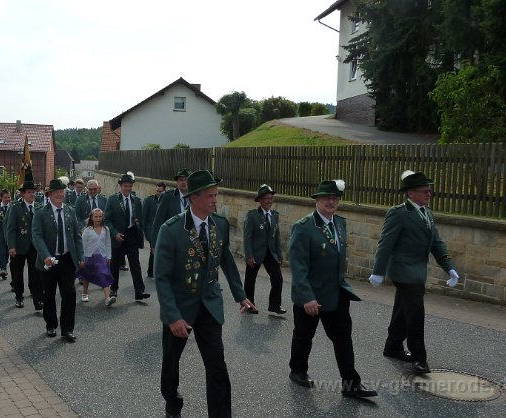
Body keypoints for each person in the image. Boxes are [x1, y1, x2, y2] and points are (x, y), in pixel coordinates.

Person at [155, 169, 255, 418]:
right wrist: (173, 316)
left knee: (216, 365)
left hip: (209, 305)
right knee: (171, 364)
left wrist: (240, 295)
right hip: (179, 309)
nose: (214, 200)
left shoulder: (219, 225)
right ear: (193, 198)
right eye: (210, 196)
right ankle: (172, 403)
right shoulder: (171, 229)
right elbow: (162, 278)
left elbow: (227, 260)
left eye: (216, 195)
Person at [287, 179, 377, 399]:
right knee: (303, 336)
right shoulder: (304, 227)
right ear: (317, 200)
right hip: (310, 295)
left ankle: (351, 384)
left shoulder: (340, 223)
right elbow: (298, 267)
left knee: (343, 338)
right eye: (326, 198)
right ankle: (297, 370)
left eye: (335, 198)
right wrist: (307, 297)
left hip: (336, 294)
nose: (331, 201)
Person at [369, 170, 461, 374]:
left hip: (417, 271)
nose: (430, 194)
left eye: (430, 191)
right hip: (403, 271)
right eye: (425, 191)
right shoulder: (399, 213)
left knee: (403, 309)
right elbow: (385, 244)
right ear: (411, 193)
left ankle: (392, 346)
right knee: (416, 313)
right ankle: (419, 358)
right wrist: (378, 271)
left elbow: (436, 243)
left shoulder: (427, 213)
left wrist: (450, 267)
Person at [32, 178, 85, 342]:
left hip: (67, 260)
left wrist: (81, 257)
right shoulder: (41, 212)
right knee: (49, 295)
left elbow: (77, 236)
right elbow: (37, 236)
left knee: (69, 294)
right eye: (56, 192)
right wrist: (45, 255)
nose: (60, 195)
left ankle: (67, 329)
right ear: (49, 195)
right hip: (48, 262)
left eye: (62, 192)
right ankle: (51, 325)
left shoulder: (70, 210)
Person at [104, 172, 149, 302]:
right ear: (120, 186)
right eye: (125, 186)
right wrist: (114, 233)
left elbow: (139, 219)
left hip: (131, 236)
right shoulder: (112, 200)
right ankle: (113, 289)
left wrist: (140, 234)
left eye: (130, 186)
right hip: (118, 236)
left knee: (135, 264)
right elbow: (107, 220)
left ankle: (139, 291)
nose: (128, 188)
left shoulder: (136, 201)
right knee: (115, 264)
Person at [242, 184, 285, 315]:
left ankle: (274, 305)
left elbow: (277, 237)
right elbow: (247, 237)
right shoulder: (252, 215)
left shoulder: (275, 216)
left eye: (271, 198)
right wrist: (249, 255)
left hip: (271, 253)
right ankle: (249, 305)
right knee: (250, 280)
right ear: (260, 200)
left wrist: (280, 255)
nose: (269, 201)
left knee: (278, 278)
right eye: (266, 198)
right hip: (255, 254)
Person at [6, 178, 44, 310]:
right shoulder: (15, 207)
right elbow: (10, 228)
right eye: (29, 192)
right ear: (23, 194)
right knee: (17, 274)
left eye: (33, 192)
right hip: (19, 246)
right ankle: (19, 297)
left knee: (36, 273)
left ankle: (38, 299)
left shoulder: (39, 207)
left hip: (35, 246)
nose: (32, 194)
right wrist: (11, 246)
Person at [79, 208, 116, 306]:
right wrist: (82, 258)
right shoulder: (87, 231)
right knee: (86, 276)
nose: (98, 218)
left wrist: (109, 256)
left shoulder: (106, 229)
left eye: (100, 216)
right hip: (89, 256)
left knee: (104, 274)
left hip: (102, 257)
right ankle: (85, 293)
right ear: (91, 217)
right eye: (96, 216)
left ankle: (107, 298)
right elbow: (82, 245)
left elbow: (108, 244)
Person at [151, 168, 190, 247]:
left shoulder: (195, 197)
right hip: (172, 241)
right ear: (177, 182)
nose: (184, 182)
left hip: (189, 241)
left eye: (186, 180)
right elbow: (158, 221)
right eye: (181, 180)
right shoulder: (168, 197)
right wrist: (154, 243)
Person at [142, 181, 166, 278]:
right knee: (153, 252)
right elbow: (144, 218)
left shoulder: (167, 201)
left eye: (161, 191)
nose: (158, 193)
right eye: (157, 191)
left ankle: (161, 271)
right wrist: (147, 234)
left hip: (164, 231)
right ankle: (151, 271)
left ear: (165, 191)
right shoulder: (149, 200)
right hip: (152, 231)